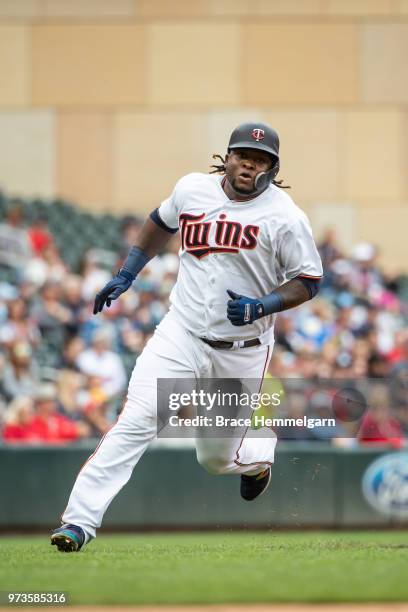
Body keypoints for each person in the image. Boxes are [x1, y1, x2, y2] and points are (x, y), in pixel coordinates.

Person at [51, 122, 323, 552]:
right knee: (137, 420)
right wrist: (127, 272)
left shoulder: (285, 215)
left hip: (243, 350)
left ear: (272, 168)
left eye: (261, 160)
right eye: (243, 156)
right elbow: (160, 222)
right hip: (182, 333)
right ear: (227, 157)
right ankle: (78, 523)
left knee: (215, 460)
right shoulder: (192, 189)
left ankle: (257, 455)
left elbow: (309, 279)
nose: (250, 165)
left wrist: (263, 305)